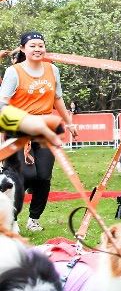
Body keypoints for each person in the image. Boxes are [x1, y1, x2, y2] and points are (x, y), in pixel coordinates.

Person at [0, 32, 78, 232]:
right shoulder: (14, 72)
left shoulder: (52, 70)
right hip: (18, 128)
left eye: (41, 45)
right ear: (23, 49)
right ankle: (12, 219)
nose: (37, 49)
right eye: (32, 45)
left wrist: (69, 123)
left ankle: (34, 218)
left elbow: (58, 99)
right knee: (21, 176)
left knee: (43, 177)